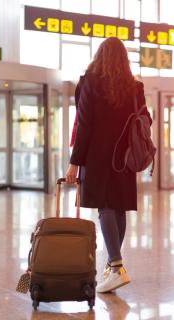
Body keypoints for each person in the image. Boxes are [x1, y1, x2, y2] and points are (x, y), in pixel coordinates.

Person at [65, 37, 151, 293]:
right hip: (124, 156)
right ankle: (113, 266)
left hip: (97, 156)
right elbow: (145, 119)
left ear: (99, 56)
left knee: (105, 208)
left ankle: (115, 266)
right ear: (124, 60)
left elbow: (84, 125)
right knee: (119, 208)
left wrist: (74, 163)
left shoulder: (89, 82)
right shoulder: (135, 87)